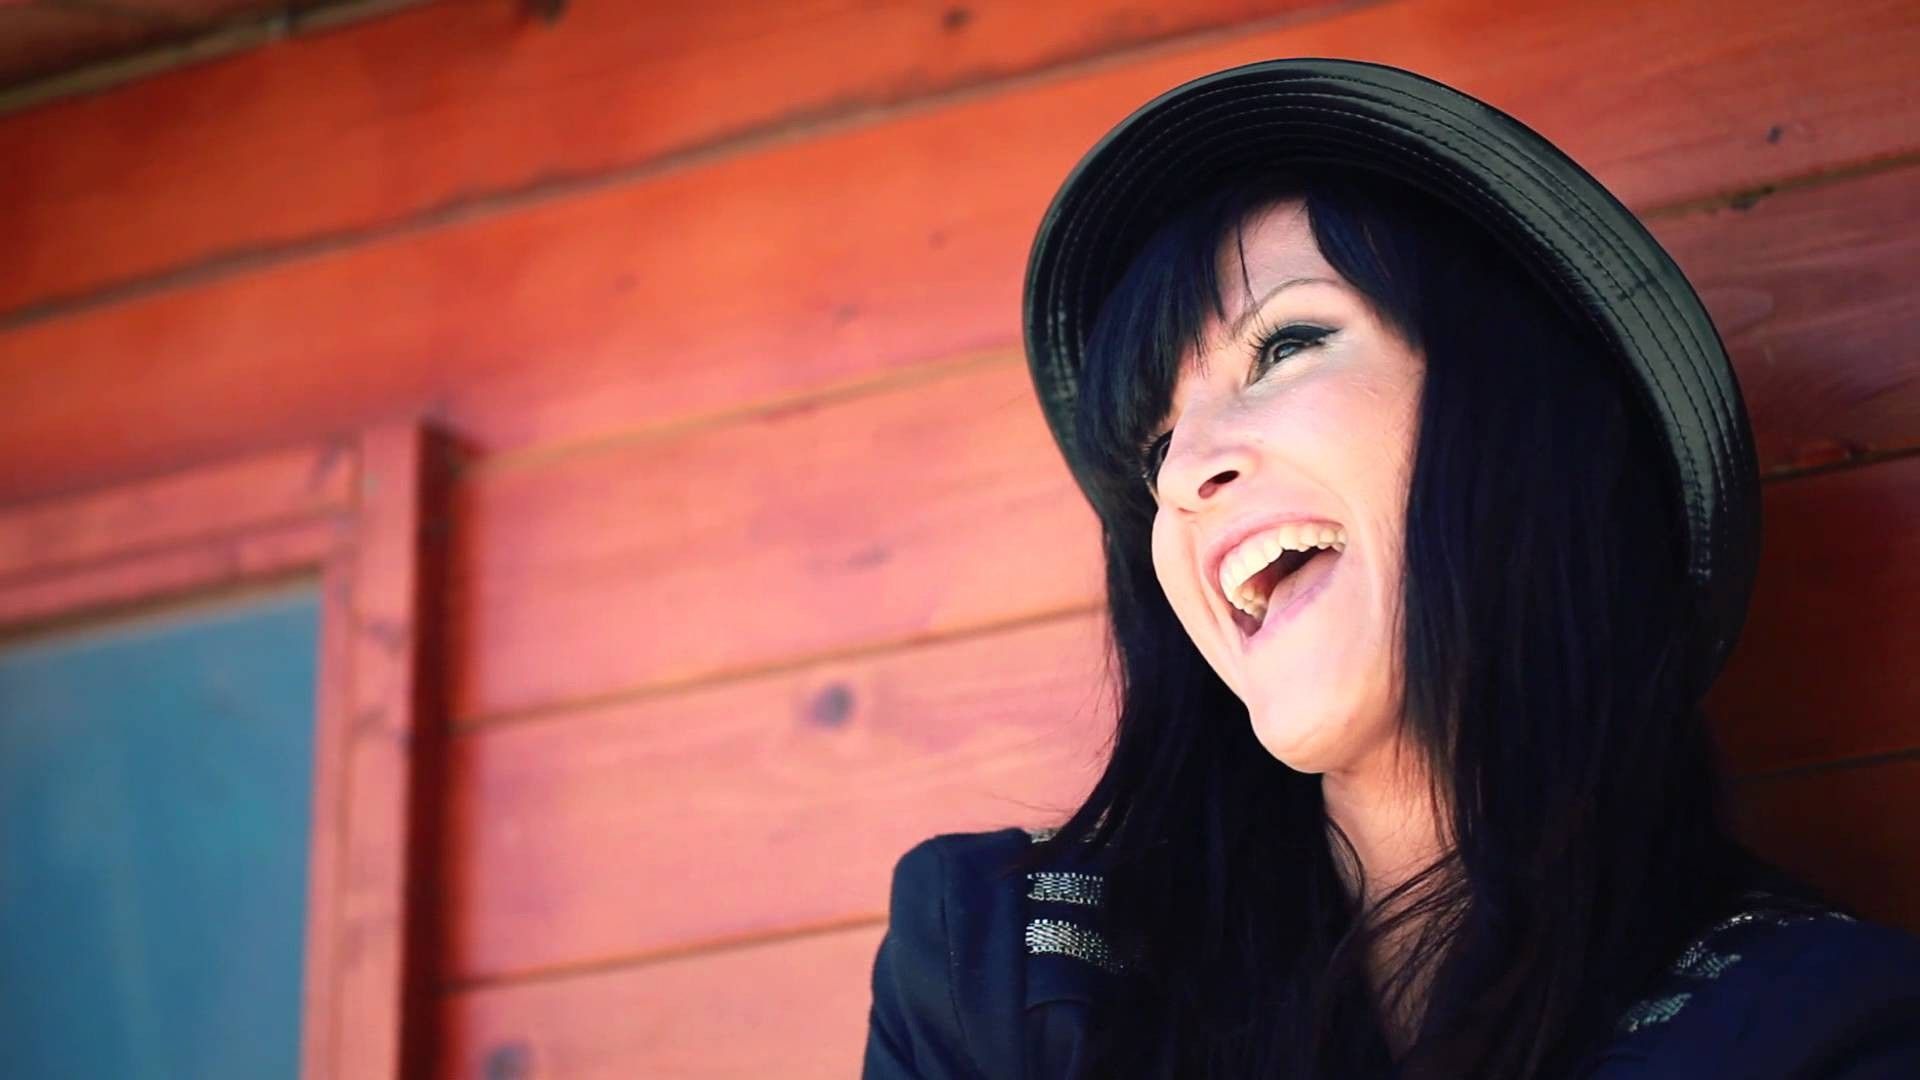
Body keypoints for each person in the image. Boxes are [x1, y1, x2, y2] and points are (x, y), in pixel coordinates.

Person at [860, 59, 1920, 1079]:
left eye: (1284, 346)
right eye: (1154, 447)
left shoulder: (1820, 1026)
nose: (1180, 475)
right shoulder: (995, 971)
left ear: (1517, 417)